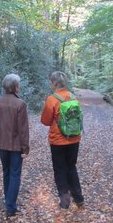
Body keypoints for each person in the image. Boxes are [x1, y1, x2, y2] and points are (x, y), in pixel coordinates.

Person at [0, 74, 29, 218]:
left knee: (6, 172)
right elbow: (23, 129)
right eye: (18, 85)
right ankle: (10, 207)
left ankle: (8, 201)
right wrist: (25, 148)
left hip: (1, 144)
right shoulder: (20, 104)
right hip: (15, 147)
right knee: (15, 174)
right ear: (15, 87)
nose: (19, 87)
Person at [40, 71, 84, 209]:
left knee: (59, 169)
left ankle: (65, 201)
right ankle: (79, 198)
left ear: (54, 83)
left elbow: (45, 121)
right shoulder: (73, 97)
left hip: (58, 141)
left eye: (51, 82)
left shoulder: (52, 99)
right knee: (71, 167)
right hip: (74, 139)